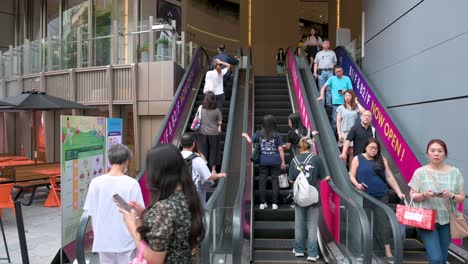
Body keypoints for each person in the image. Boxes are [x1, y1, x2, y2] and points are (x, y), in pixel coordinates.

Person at [120, 144, 205, 264]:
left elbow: (155, 259)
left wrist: (132, 227)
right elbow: (174, 228)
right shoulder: (187, 196)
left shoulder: (164, 208)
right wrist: (145, 213)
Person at [83, 144, 144, 264]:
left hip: (103, 240)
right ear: (126, 161)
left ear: (110, 161)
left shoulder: (96, 183)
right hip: (126, 239)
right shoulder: (132, 183)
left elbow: (90, 212)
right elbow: (138, 213)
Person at [408, 139, 465, 264]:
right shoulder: (420, 172)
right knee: (436, 259)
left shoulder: (455, 172)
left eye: (440, 151)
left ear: (445, 153)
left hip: (447, 221)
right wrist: (424, 195)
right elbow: (412, 195)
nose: (436, 154)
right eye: (432, 150)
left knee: (443, 258)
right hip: (427, 221)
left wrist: (451, 195)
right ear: (427, 153)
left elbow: (461, 197)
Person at [349, 138, 405, 262]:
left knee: (383, 222)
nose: (373, 150)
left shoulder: (381, 159)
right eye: (371, 147)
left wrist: (399, 191)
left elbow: (389, 176)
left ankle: (387, 250)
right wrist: (357, 184)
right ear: (366, 147)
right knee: (365, 222)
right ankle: (364, 248)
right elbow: (351, 175)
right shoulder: (357, 158)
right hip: (365, 195)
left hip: (381, 194)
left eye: (376, 148)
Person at [289, 137, 330, 262]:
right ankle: (312, 253)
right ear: (310, 148)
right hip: (313, 198)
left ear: (299, 148)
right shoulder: (316, 159)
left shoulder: (294, 160)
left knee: (299, 224)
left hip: (299, 197)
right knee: (312, 226)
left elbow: (291, 180)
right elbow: (324, 177)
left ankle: (299, 250)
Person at [242, 115, 286, 210]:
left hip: (263, 161)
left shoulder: (259, 133)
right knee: (275, 182)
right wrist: (283, 162)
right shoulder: (277, 134)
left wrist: (246, 135)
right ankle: (274, 204)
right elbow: (281, 149)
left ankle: (263, 203)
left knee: (262, 182)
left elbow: (250, 142)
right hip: (276, 161)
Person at [180, 133, 226, 207]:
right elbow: (208, 177)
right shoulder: (197, 159)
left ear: (181, 144)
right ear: (193, 144)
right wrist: (220, 175)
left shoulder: (175, 157)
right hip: (195, 194)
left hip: (179, 194)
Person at [317, 65, 353, 133]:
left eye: (340, 71)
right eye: (337, 72)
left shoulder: (347, 78)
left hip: (346, 103)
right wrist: (321, 96)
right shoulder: (332, 79)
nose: (338, 73)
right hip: (336, 103)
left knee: (346, 121)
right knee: (334, 121)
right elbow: (323, 87)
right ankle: (333, 136)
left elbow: (351, 90)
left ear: (342, 71)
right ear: (334, 72)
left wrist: (345, 91)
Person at [336, 90, 365, 165]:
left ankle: (351, 171)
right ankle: (344, 171)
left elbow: (363, 112)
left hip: (354, 132)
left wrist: (357, 102)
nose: (347, 97)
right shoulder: (341, 107)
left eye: (349, 96)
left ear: (352, 97)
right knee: (344, 152)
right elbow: (338, 121)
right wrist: (339, 133)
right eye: (345, 96)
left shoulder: (355, 107)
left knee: (352, 152)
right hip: (344, 131)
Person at [198, 92, 223, 173]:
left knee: (203, 151)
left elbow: (198, 118)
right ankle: (213, 170)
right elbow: (220, 122)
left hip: (203, 133)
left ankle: (203, 169)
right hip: (214, 133)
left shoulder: (201, 108)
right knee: (214, 151)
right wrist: (219, 127)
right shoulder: (216, 110)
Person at [313, 39, 337, 107]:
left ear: (329, 45)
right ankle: (322, 103)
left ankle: (329, 103)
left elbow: (335, 62)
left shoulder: (332, 53)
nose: (326, 44)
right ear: (322, 45)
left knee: (329, 87)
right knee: (321, 87)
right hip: (321, 71)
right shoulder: (319, 53)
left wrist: (330, 66)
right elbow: (316, 64)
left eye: (328, 43)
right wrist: (315, 72)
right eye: (325, 43)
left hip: (330, 71)